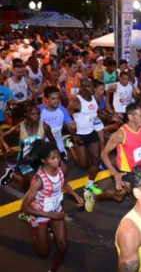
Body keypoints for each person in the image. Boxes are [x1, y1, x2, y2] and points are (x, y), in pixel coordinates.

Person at [84, 104, 141, 211]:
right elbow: (103, 154)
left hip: (140, 168)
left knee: (119, 196)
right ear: (131, 117)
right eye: (140, 116)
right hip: (126, 171)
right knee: (139, 197)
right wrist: (115, 173)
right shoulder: (121, 134)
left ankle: (93, 197)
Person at [20, 141, 83, 272]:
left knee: (63, 246)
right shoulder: (39, 180)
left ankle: (53, 270)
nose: (57, 160)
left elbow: (63, 183)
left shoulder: (59, 170)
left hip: (55, 210)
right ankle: (32, 225)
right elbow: (24, 207)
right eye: (52, 158)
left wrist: (75, 195)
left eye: (58, 157)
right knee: (43, 253)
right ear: (43, 160)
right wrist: (50, 215)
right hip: (40, 213)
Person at [0, 105, 55, 190]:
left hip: (40, 159)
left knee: (60, 172)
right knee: (32, 185)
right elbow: (2, 137)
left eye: (38, 114)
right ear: (26, 115)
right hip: (25, 160)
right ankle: (12, 174)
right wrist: (7, 149)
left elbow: (53, 142)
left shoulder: (44, 126)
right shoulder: (18, 128)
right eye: (33, 114)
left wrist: (53, 155)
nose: (36, 116)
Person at [67, 78, 102, 195]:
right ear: (81, 88)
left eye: (91, 85)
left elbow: (97, 112)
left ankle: (89, 184)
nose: (90, 88)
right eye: (86, 86)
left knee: (96, 159)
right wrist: (73, 134)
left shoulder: (94, 98)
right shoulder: (76, 102)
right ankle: (70, 145)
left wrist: (110, 116)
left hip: (91, 132)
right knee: (83, 164)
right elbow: (67, 117)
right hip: (80, 135)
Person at [39, 86, 75, 175]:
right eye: (53, 99)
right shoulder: (38, 110)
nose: (56, 101)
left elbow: (70, 124)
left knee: (63, 173)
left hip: (58, 146)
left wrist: (73, 126)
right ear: (46, 99)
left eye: (58, 98)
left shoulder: (62, 109)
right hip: (43, 148)